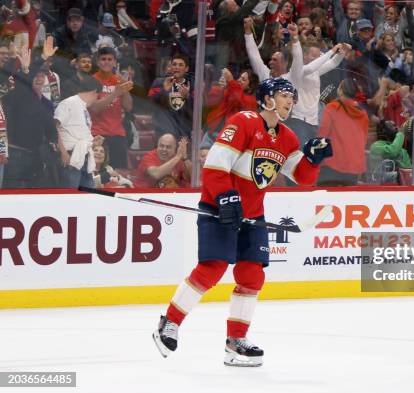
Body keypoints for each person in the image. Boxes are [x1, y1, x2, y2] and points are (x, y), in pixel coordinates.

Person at [152, 78, 333, 366]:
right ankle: (169, 323)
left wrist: (312, 160)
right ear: (267, 98)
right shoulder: (243, 122)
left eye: (292, 96)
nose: (290, 100)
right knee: (212, 269)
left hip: (253, 216)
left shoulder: (286, 137)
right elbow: (214, 168)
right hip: (219, 207)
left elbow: (303, 178)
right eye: (284, 94)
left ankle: (235, 342)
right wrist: (225, 197)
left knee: (252, 276)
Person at [55, 75, 105, 188]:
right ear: (94, 91)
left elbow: (77, 134)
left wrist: (93, 141)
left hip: (85, 158)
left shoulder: (83, 108)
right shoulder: (68, 103)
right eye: (98, 96)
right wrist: (63, 153)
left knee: (87, 199)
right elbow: (55, 127)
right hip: (71, 158)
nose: (96, 99)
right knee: (70, 199)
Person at [317, 77, 369, 186]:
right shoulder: (363, 113)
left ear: (340, 90)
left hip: (332, 165)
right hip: (353, 168)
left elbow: (322, 136)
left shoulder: (332, 107)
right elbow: (363, 141)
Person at [89, 47, 134, 169]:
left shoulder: (119, 80)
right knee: (95, 171)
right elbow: (94, 108)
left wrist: (125, 89)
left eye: (110, 59)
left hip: (117, 133)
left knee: (119, 173)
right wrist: (115, 93)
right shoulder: (92, 80)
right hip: (97, 134)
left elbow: (128, 107)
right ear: (98, 62)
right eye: (103, 59)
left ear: (115, 62)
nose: (107, 62)